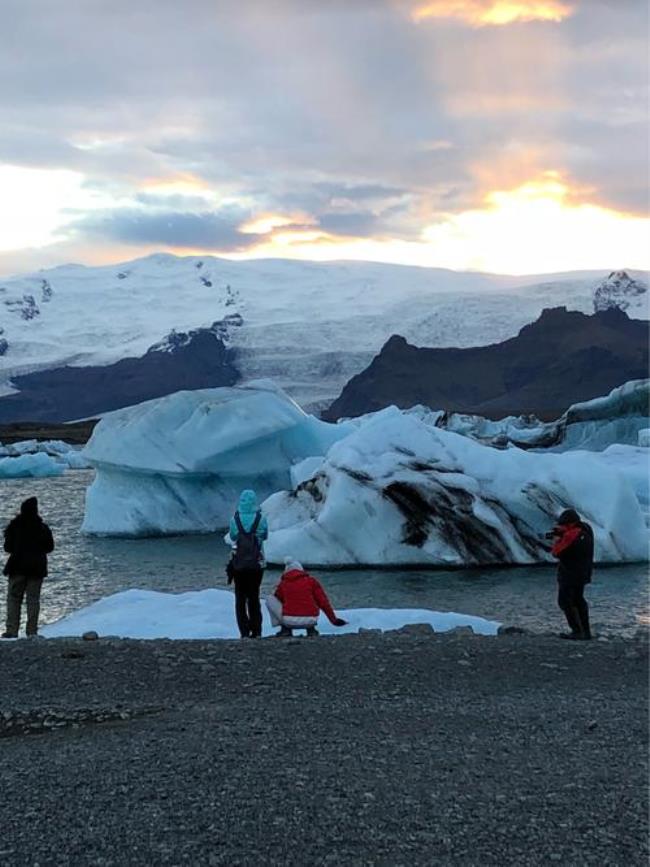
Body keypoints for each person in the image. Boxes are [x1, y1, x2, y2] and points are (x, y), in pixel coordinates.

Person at [2, 497, 54, 639]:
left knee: (13, 598)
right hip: (37, 569)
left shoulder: (14, 526)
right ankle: (31, 631)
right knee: (33, 599)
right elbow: (50, 547)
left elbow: (7, 547)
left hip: (17, 567)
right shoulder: (42, 528)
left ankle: (12, 630)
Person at [266, 558, 347, 637]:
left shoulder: (283, 583)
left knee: (270, 599)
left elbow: (277, 598)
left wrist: (276, 589)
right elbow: (323, 602)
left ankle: (285, 630)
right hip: (311, 620)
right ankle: (311, 630)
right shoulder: (311, 581)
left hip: (289, 620)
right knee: (312, 599)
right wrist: (333, 620)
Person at [227, 490, 268, 639]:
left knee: (240, 598)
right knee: (254, 596)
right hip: (257, 564)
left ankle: (244, 631)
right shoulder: (261, 518)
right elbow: (265, 536)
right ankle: (256, 631)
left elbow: (232, 537)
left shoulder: (234, 519)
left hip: (239, 564)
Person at [550, 508, 594, 641]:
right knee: (579, 600)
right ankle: (586, 631)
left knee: (565, 601)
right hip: (583, 572)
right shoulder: (586, 530)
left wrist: (557, 540)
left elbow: (557, 552)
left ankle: (577, 631)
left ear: (569, 523)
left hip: (570, 574)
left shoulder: (571, 534)